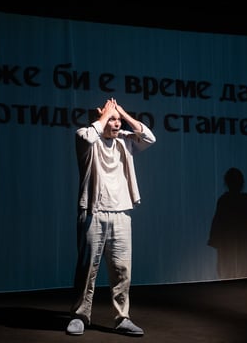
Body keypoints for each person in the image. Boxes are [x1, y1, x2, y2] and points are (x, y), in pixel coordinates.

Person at [66, 98, 156, 336]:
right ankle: (80, 315)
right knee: (87, 269)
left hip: (121, 213)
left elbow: (149, 138)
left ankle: (122, 317)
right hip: (93, 212)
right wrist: (104, 115)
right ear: (100, 119)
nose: (117, 124)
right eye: (112, 119)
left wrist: (122, 113)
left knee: (122, 270)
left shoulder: (125, 141)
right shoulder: (85, 136)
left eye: (118, 120)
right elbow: (88, 136)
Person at [208, 167, 247, 279]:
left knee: (229, 277)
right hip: (245, 248)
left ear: (226, 183)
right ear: (242, 183)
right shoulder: (246, 201)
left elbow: (217, 228)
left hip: (228, 248)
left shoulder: (224, 201)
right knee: (245, 278)